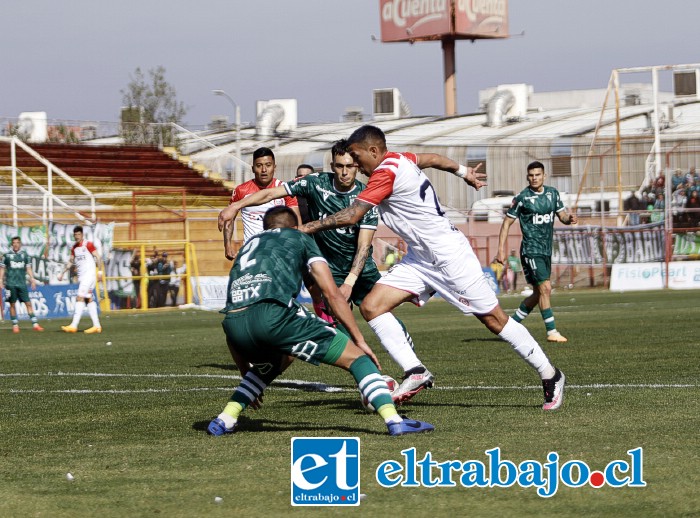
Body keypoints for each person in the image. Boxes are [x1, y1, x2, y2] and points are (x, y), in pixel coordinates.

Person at [299, 125, 566, 411]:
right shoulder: (401, 159)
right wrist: (463, 172)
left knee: (495, 321)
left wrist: (305, 228)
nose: (354, 163)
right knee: (372, 306)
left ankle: (551, 374)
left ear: (373, 151)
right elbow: (434, 158)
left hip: (450, 258)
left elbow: (352, 215)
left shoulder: (385, 172)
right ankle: (415, 370)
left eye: (356, 155)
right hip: (421, 259)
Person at [219, 140, 432, 403]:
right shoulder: (315, 183)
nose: (345, 172)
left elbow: (364, 246)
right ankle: (373, 377)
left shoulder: (366, 196)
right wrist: (235, 206)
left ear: (357, 166)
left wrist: (350, 282)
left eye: (350, 167)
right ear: (332, 166)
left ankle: (411, 366)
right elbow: (270, 195)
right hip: (329, 268)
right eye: (339, 166)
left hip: (359, 269)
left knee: (374, 310)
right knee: (335, 319)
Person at [207, 206, 433, 437]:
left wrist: (245, 371)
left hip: (234, 325)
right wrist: (359, 339)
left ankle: (225, 418)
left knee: (279, 359)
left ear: (266, 227)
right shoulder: (298, 237)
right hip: (273, 314)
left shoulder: (247, 248)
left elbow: (233, 310)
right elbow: (332, 293)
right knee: (358, 359)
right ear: (294, 226)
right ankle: (394, 420)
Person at [496, 161, 578, 343]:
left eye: (537, 175)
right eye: (531, 175)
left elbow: (562, 215)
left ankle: (509, 328)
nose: (534, 178)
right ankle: (552, 331)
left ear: (544, 176)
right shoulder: (523, 198)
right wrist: (501, 250)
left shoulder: (553, 194)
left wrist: (569, 218)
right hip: (531, 250)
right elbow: (506, 223)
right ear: (528, 177)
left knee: (537, 293)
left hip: (546, 250)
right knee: (545, 288)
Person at [227, 147, 300, 247]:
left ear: (275, 167)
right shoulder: (241, 190)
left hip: (278, 250)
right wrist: (227, 244)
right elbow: (229, 218)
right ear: (253, 168)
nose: (264, 170)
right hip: (252, 250)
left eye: (268, 165)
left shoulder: (285, 190)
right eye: (259, 166)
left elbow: (296, 222)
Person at [58, 225, 103, 334]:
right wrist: (62, 273)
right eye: (75, 235)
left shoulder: (88, 244)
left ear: (82, 234)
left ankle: (74, 325)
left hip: (89, 276)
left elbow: (98, 256)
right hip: (83, 277)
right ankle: (97, 326)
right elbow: (70, 261)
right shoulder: (74, 248)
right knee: (88, 299)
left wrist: (100, 272)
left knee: (79, 297)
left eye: (79, 234)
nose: (77, 236)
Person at [0, 236, 44, 333]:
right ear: (12, 244)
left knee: (28, 303)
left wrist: (32, 279)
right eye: (14, 243)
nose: (16, 244)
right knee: (12, 304)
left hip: (22, 284)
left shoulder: (25, 255)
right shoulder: (6, 256)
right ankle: (15, 325)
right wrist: (0, 280)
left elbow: (28, 268)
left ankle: (35, 324)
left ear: (20, 244)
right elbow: (2, 268)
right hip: (10, 284)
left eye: (17, 242)